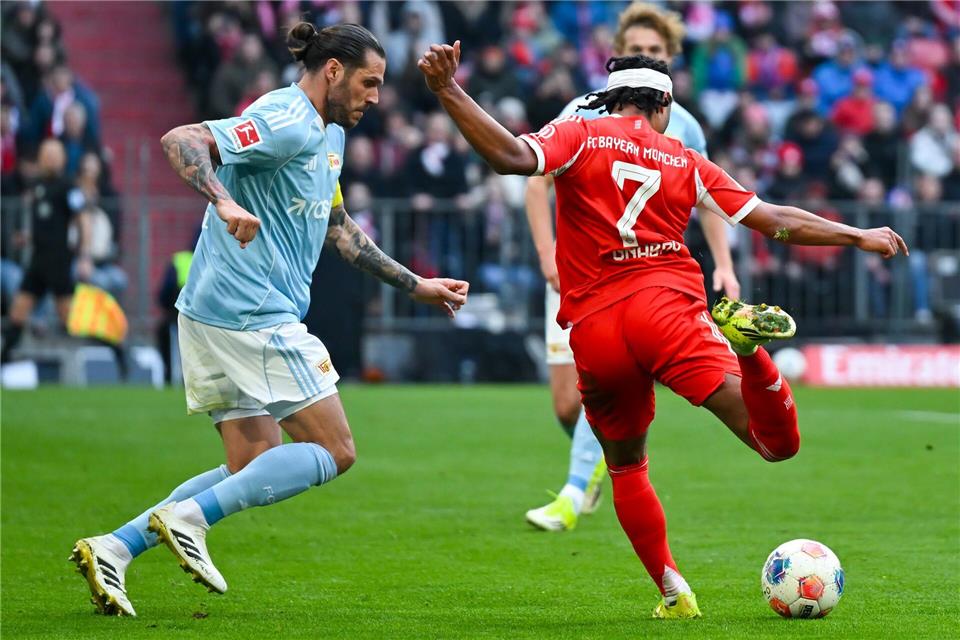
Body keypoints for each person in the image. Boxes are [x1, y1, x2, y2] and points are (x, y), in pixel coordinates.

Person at [419, 45, 906, 619]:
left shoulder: (576, 134)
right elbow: (772, 220)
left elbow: (509, 157)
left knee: (626, 465)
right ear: (665, 103)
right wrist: (855, 234)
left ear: (610, 98)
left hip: (595, 329)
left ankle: (674, 593)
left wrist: (449, 90)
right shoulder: (685, 158)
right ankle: (748, 351)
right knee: (776, 443)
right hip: (667, 312)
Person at [70, 22, 469, 618]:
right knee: (336, 450)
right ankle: (190, 519)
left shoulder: (327, 134)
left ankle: (115, 548)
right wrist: (224, 199)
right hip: (250, 311)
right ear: (332, 70)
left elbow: (337, 229)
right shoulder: (286, 118)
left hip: (214, 312)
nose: (376, 97)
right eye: (369, 82)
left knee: (250, 465)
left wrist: (415, 284)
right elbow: (182, 139)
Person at [522, 2, 741, 533]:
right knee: (566, 405)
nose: (646, 57)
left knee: (610, 386)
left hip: (640, 278)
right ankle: (607, 465)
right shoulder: (584, 109)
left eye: (655, 52)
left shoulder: (684, 124)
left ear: (669, 61)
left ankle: (577, 490)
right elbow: (535, 179)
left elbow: (711, 196)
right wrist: (548, 255)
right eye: (637, 50)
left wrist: (725, 267)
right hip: (575, 271)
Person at [1, 138, 91, 364]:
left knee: (70, 319)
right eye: (46, 153)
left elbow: (84, 221)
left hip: (58, 261)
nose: (50, 158)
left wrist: (84, 256)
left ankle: (112, 349)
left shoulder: (69, 187)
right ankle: (3, 360)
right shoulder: (37, 186)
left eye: (54, 154)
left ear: (62, 158)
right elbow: (47, 221)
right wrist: (28, 237)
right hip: (38, 260)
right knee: (17, 313)